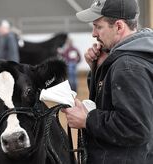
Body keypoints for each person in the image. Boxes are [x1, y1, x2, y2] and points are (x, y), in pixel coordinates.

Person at [62, 0, 153, 164]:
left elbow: (137, 128)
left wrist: (88, 120)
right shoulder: (137, 56)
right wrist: (98, 69)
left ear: (118, 26)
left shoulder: (127, 66)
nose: (94, 34)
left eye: (98, 26)